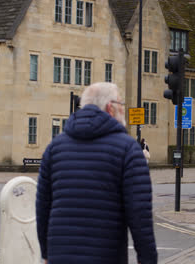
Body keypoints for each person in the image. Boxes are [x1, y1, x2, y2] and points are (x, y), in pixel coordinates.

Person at [35, 82, 157, 264]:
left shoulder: (54, 148)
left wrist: (46, 253)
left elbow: (43, 206)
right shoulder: (128, 149)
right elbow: (140, 215)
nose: (123, 109)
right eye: (121, 104)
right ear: (111, 108)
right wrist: (147, 260)